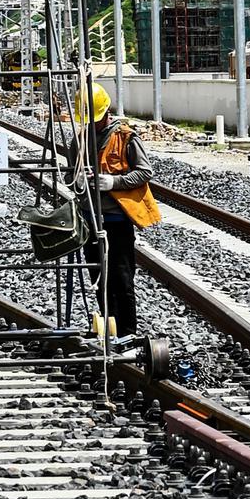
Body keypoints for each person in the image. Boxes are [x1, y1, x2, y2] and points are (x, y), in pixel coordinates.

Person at [90, 85, 159, 336]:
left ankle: (128, 333)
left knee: (122, 279)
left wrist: (113, 182)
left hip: (117, 220)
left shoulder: (126, 137)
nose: (92, 125)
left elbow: (144, 172)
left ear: (106, 112)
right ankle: (109, 329)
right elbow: (70, 172)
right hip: (91, 220)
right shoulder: (81, 138)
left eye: (95, 120)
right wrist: (77, 181)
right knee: (98, 280)